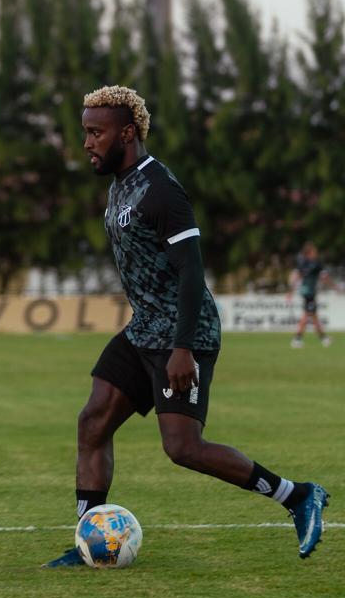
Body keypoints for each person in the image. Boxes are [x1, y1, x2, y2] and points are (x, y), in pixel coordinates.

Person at [42, 86, 329, 567]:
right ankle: (86, 539)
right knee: (92, 420)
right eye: (86, 132)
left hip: (183, 332)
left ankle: (298, 496)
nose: (87, 143)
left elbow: (192, 270)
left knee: (183, 447)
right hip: (145, 328)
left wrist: (182, 349)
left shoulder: (160, 189)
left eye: (96, 132)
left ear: (127, 133)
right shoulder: (120, 185)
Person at [288, 242, 333, 348]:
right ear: (309, 253)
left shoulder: (303, 263)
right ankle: (297, 339)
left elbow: (297, 276)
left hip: (306, 291)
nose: (316, 253)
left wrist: (291, 290)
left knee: (314, 315)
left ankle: (323, 338)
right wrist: (334, 287)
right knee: (307, 314)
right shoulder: (316, 263)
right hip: (309, 293)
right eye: (314, 251)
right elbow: (324, 277)